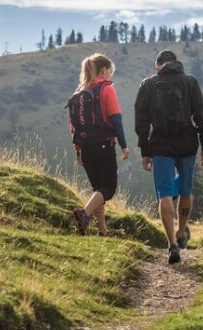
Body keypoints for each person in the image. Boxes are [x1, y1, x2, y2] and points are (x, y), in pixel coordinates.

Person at [134, 50, 203, 264]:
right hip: (187, 144)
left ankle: (171, 245)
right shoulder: (190, 82)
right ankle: (180, 230)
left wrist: (145, 151)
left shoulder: (148, 84)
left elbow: (141, 122)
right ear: (176, 63)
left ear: (157, 64)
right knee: (185, 190)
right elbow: (200, 114)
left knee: (165, 194)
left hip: (160, 146)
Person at [67, 53, 130, 237]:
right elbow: (116, 119)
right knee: (108, 190)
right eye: (110, 71)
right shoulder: (106, 89)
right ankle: (83, 214)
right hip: (103, 146)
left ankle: (103, 231)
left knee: (98, 190)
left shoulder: (78, 93)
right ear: (103, 70)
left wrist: (78, 151)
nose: (110, 75)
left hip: (86, 149)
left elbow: (73, 126)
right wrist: (123, 145)